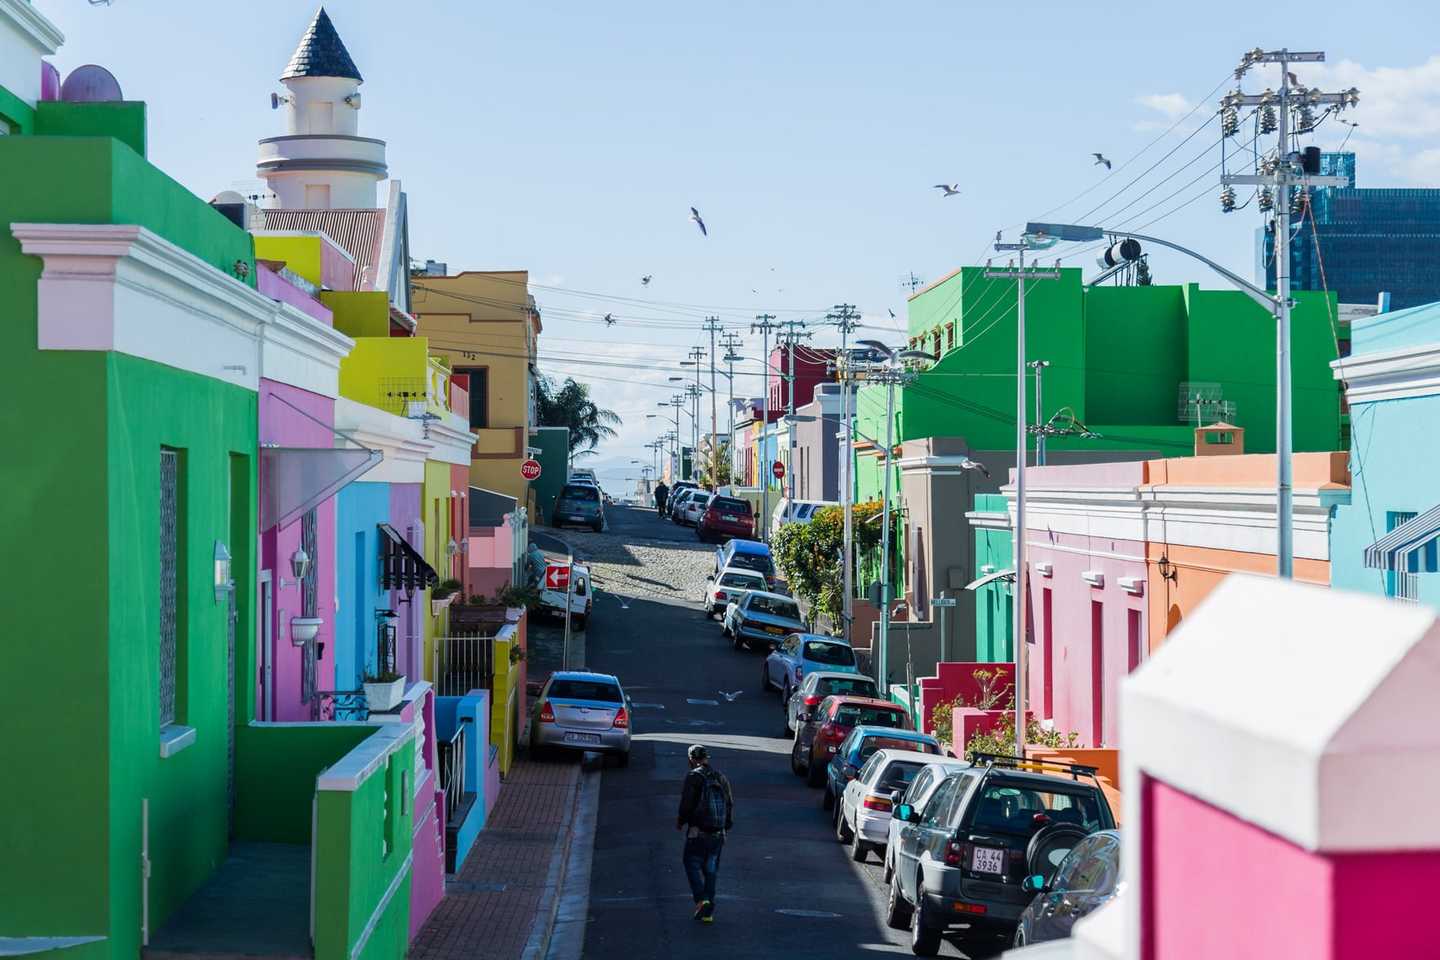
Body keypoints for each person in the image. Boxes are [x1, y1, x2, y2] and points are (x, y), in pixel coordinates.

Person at [677, 743, 733, 923]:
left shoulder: (693, 777)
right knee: (711, 869)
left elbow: (687, 804)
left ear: (691, 759)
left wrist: (681, 821)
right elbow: (729, 802)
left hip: (697, 832)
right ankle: (708, 912)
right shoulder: (720, 777)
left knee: (690, 862)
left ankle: (701, 900)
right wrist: (725, 825)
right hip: (718, 832)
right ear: (707, 758)